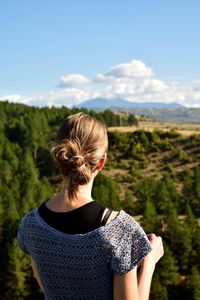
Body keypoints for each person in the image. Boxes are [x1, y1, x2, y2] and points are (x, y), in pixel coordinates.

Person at [17, 112, 164, 300]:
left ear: (59, 157)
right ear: (101, 162)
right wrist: (149, 262)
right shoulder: (121, 232)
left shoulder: (31, 226)